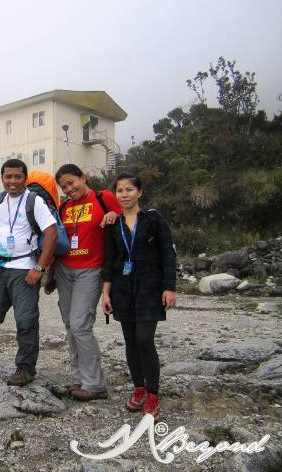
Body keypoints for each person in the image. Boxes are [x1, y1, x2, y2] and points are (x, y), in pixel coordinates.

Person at [0, 158, 58, 386]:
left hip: (25, 269)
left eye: (17, 176)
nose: (13, 181)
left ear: (25, 178)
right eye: (8, 176)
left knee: (25, 321)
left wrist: (39, 268)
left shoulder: (34, 201)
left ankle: (25, 369)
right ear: (2, 178)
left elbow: (52, 234)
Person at [101, 172, 176, 420]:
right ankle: (139, 388)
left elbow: (168, 254)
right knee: (131, 342)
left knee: (145, 340)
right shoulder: (114, 224)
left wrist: (169, 287)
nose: (124, 194)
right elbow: (110, 260)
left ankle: (153, 395)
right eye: (120, 190)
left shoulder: (153, 219)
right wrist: (106, 292)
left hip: (149, 288)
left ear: (139, 192)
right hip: (123, 290)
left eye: (129, 189)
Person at [45, 164, 120, 401]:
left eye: (71, 183)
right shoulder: (64, 206)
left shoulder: (103, 197)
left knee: (80, 325)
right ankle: (79, 380)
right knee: (70, 325)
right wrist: (51, 274)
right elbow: (58, 239)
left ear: (83, 177)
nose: (68, 189)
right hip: (65, 270)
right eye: (63, 186)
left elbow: (129, 215)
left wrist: (114, 214)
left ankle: (95, 385)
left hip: (91, 269)